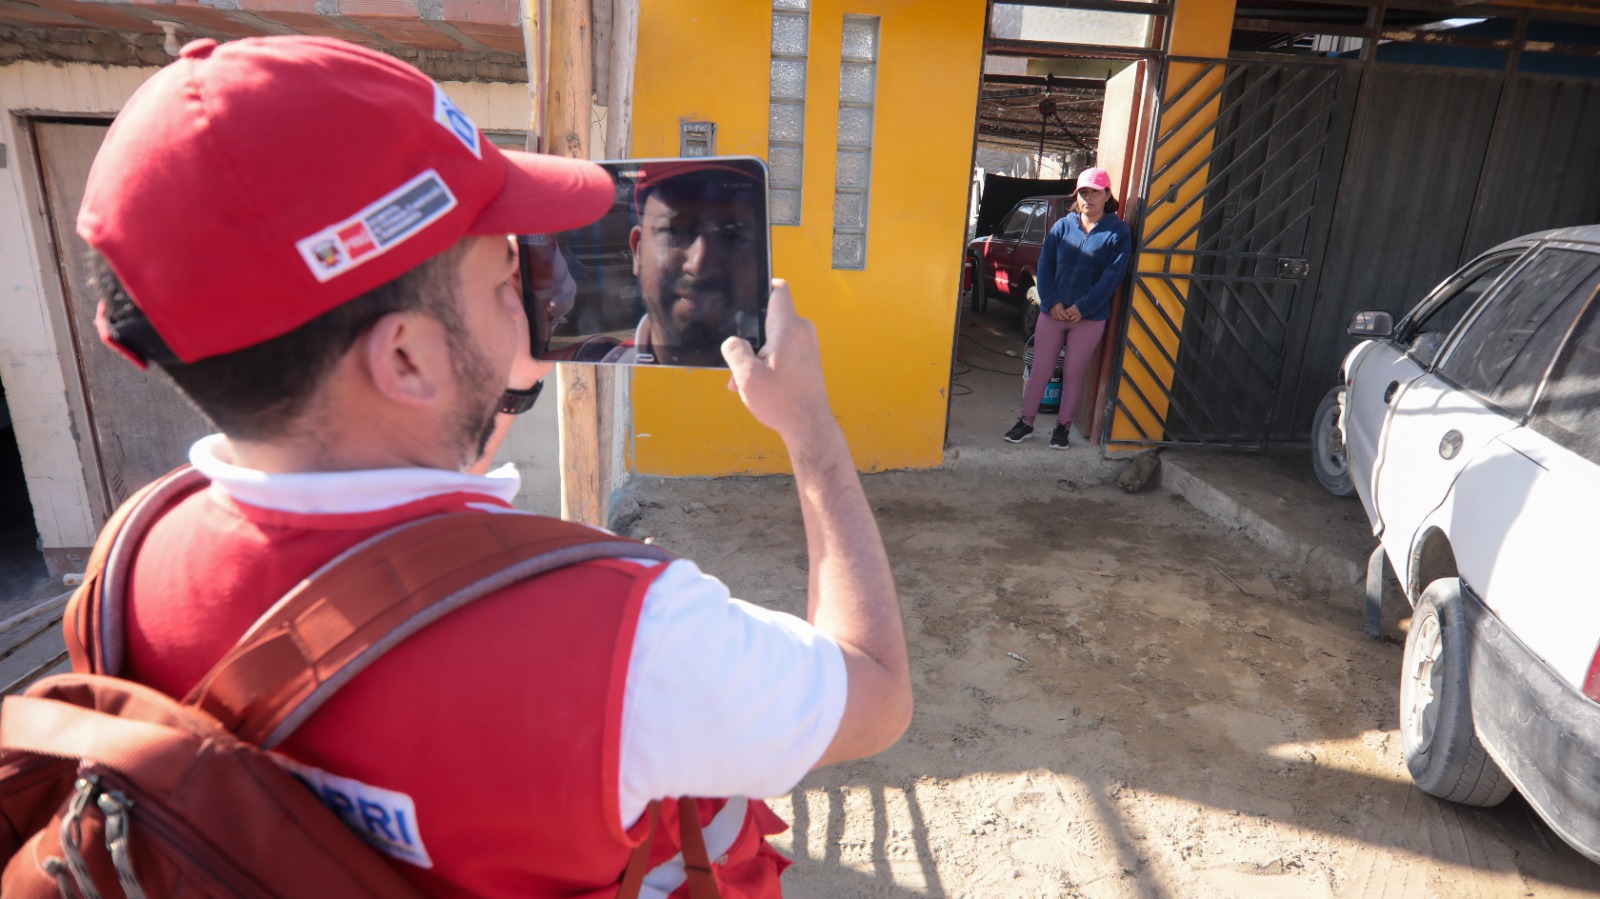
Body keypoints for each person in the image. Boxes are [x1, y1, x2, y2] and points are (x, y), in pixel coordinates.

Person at [77, 35, 910, 898]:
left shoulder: (133, 559)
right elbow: (877, 691)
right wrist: (809, 426)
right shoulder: (631, 638)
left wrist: (474, 388)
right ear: (403, 359)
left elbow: (413, 538)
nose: (531, 297)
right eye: (499, 277)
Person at [1003, 167, 1132, 449]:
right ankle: (1025, 422)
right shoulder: (1063, 225)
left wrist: (1083, 307)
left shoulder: (1118, 232)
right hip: (1053, 312)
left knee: (1074, 373)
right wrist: (1051, 302)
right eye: (1083, 192)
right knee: (1040, 369)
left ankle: (1062, 428)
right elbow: (1045, 267)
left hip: (1090, 317)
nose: (1088, 198)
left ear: (1107, 195)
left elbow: (1112, 276)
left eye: (1095, 192)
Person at [615, 161, 767, 365]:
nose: (698, 265)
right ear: (637, 251)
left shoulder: (792, 384)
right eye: (675, 231)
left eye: (732, 235)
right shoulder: (599, 369)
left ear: (764, 258)